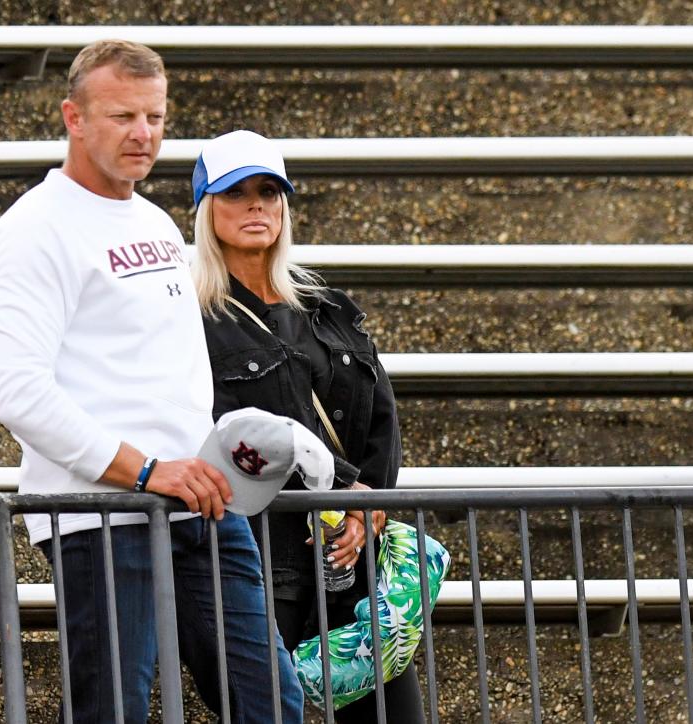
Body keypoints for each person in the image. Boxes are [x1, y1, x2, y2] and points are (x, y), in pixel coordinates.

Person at [0, 44, 303, 723]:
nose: (143, 134)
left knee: (271, 702)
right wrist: (148, 470)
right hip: (99, 515)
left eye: (155, 117)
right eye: (123, 115)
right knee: (114, 711)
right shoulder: (32, 232)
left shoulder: (155, 223)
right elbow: (18, 393)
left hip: (202, 504)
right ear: (74, 117)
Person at [192, 130, 426, 723]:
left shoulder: (326, 304)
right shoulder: (190, 318)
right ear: (205, 209)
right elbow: (239, 428)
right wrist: (346, 489)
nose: (255, 206)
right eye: (235, 193)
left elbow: (381, 414)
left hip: (351, 557)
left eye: (269, 192)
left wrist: (370, 502)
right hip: (259, 558)